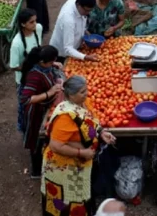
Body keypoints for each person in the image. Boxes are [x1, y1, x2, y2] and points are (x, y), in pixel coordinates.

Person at [42, 75, 117, 216]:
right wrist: (81, 153)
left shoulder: (82, 103)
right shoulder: (64, 116)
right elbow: (55, 145)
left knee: (81, 196)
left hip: (80, 164)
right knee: (66, 199)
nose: (86, 94)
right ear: (70, 95)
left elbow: (90, 120)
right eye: (82, 92)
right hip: (64, 166)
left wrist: (101, 132)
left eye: (86, 90)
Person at [18, 45, 64, 178]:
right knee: (36, 139)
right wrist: (49, 93)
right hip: (35, 111)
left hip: (45, 107)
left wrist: (54, 64)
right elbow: (25, 99)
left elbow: (50, 67)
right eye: (50, 61)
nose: (52, 63)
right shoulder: (34, 75)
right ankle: (36, 171)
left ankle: (45, 158)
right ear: (42, 62)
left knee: (44, 137)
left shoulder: (43, 64)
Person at [9, 8, 45, 84]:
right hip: (25, 79)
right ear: (23, 24)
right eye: (31, 22)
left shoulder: (38, 28)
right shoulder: (17, 43)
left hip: (39, 74)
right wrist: (29, 69)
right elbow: (13, 66)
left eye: (35, 20)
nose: (35, 24)